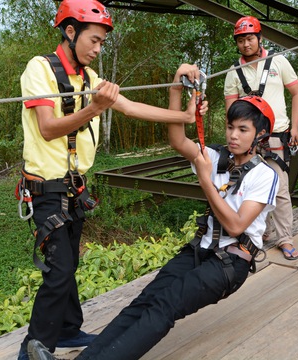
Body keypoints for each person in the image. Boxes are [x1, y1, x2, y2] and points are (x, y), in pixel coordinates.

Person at [27, 64, 279, 360]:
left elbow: (236, 226)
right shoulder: (216, 156)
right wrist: (175, 85)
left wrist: (204, 179)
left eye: (243, 130)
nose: (233, 135)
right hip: (200, 250)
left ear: (260, 135)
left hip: (230, 262)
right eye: (230, 127)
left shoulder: (264, 175)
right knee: (144, 301)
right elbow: (177, 139)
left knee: (165, 305)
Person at [16, 1, 199, 359]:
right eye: (95, 40)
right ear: (71, 32)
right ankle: (32, 349)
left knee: (70, 265)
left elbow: (132, 108)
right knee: (59, 269)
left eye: (102, 43)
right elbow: (48, 129)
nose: (98, 50)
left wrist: (185, 117)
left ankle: (67, 330)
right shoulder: (39, 69)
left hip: (74, 188)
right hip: (46, 190)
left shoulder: (89, 80)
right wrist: (94, 108)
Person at [224, 16, 298, 260]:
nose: (246, 44)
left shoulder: (278, 61)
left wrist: (296, 127)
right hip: (249, 141)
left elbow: (297, 93)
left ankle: (285, 238)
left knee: (279, 188)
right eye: (240, 40)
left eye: (249, 38)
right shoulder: (234, 72)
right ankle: (260, 232)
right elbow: (231, 111)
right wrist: (235, 137)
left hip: (275, 136)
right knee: (247, 187)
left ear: (260, 39)